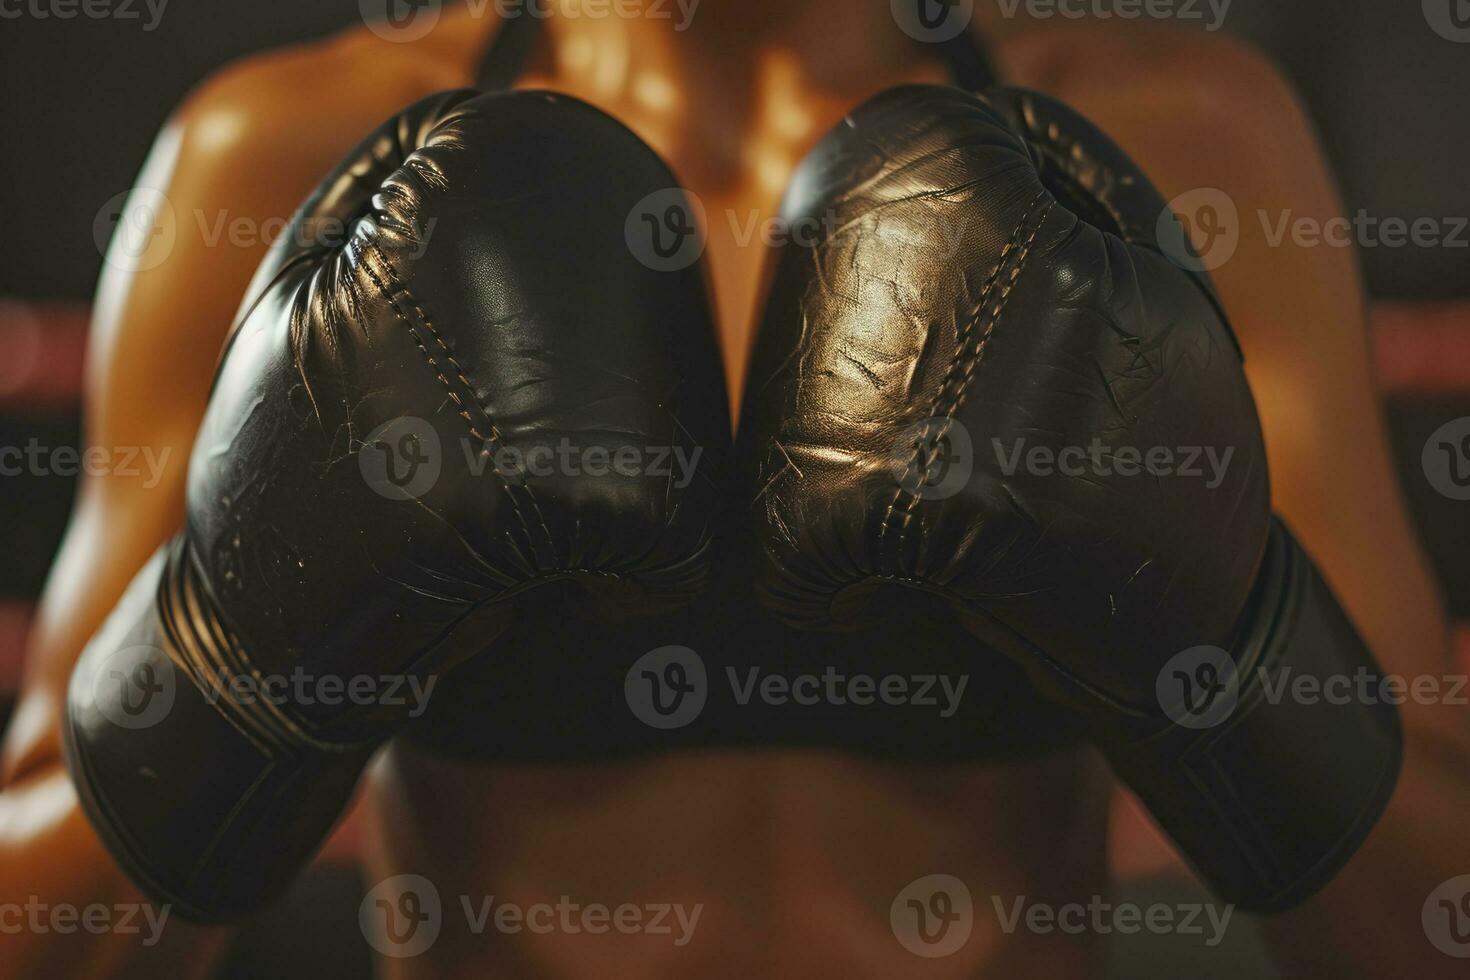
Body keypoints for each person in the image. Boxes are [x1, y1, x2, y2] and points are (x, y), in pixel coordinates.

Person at [2, 2, 1465, 977]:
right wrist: (234, 666)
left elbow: (1419, 919)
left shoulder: (1175, 138)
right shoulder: (279, 157)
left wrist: (1211, 651)